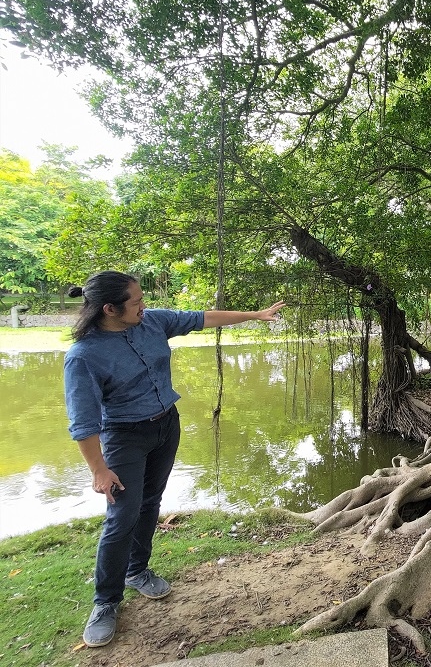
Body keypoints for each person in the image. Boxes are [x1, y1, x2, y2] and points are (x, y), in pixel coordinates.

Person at [63, 270, 285, 648]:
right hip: (124, 437)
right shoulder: (84, 356)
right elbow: (83, 423)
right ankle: (106, 602)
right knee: (122, 517)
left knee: (151, 502)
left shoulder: (152, 322)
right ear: (109, 309)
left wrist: (254, 315)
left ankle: (137, 570)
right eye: (136, 302)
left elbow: (203, 318)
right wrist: (99, 469)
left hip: (166, 425)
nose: (143, 306)